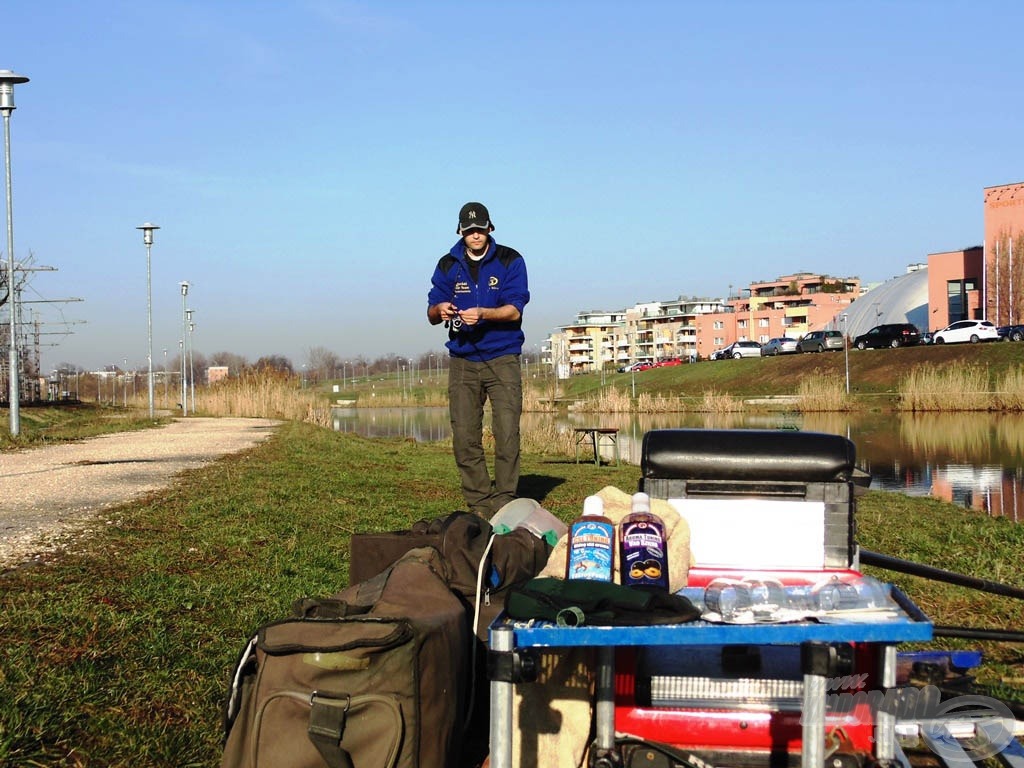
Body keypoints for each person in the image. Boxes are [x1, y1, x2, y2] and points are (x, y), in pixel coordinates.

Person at [427, 202, 530, 517]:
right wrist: (441, 309)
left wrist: (484, 313)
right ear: (460, 230)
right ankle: (480, 503)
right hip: (462, 359)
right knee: (464, 435)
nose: (474, 234)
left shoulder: (511, 260)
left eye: (480, 228)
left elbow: (514, 309)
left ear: (490, 228)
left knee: (507, 431)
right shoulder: (447, 264)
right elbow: (431, 312)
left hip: (503, 356)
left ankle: (504, 499)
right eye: (469, 229)